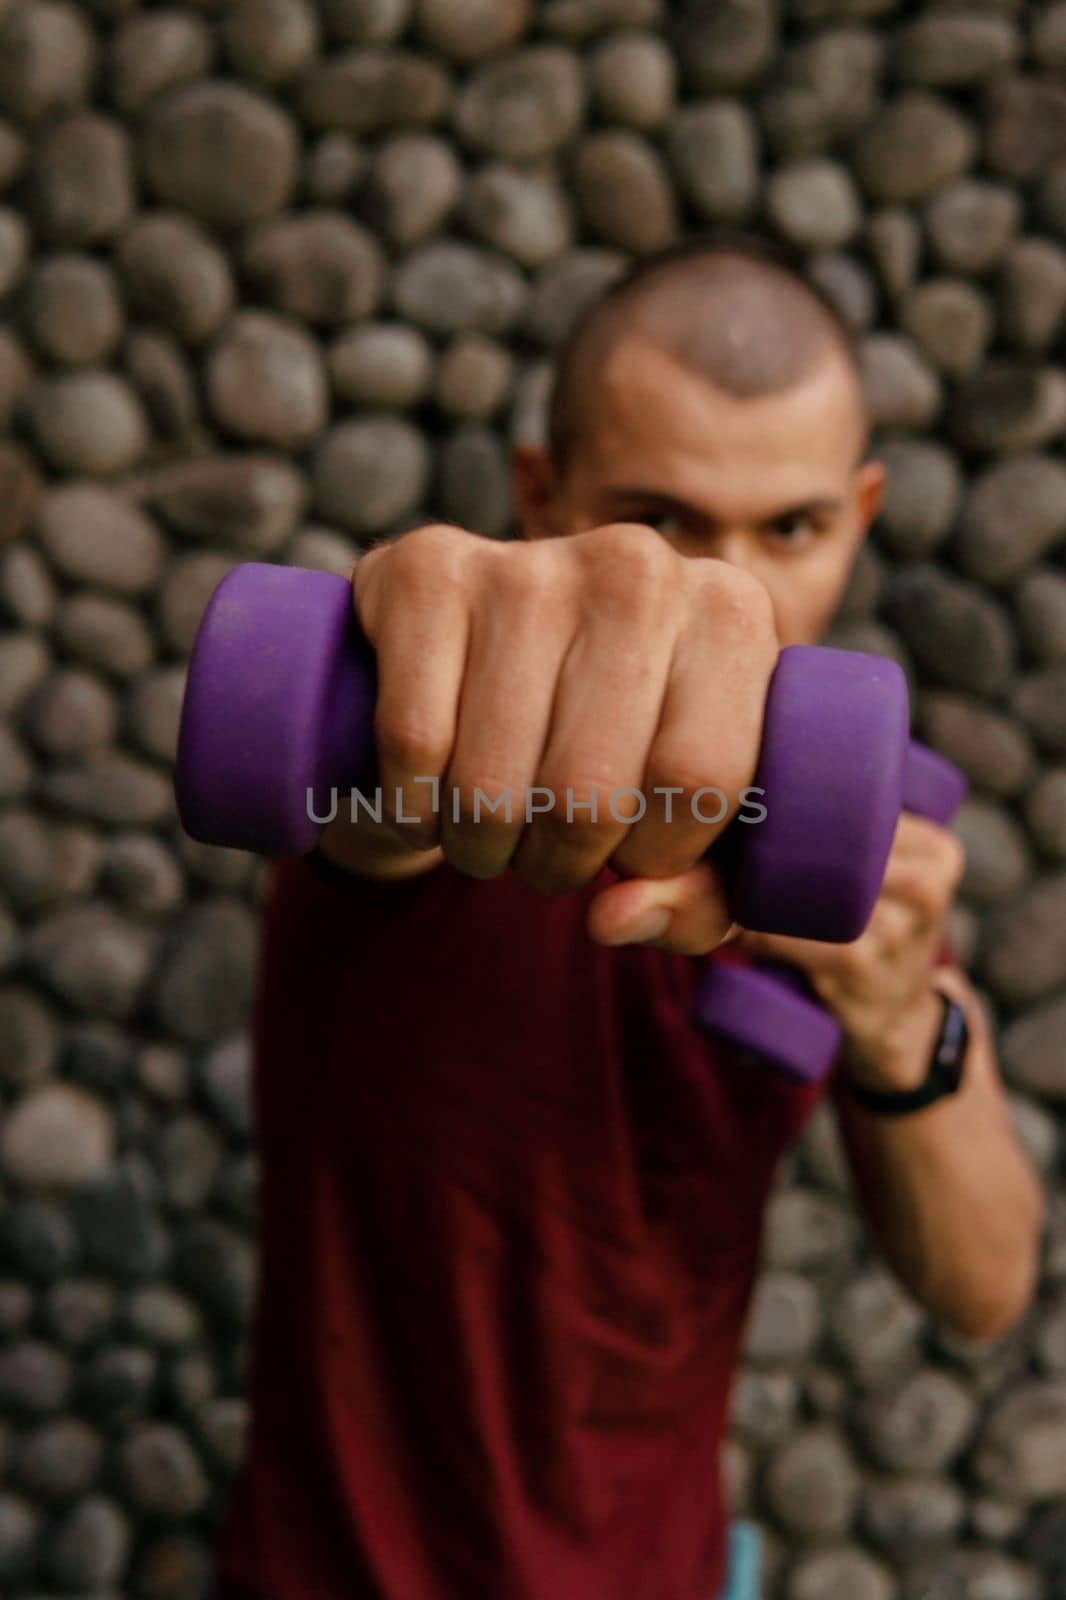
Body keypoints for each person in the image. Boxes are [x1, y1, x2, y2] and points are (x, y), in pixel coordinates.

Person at [213, 242, 1045, 1600]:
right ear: (541, 504)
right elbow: (365, 807)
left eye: (790, 528)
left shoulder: (840, 862)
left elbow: (984, 1288)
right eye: (661, 520)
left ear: (863, 512)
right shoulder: (441, 759)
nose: (730, 598)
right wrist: (417, 644)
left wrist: (903, 1030)